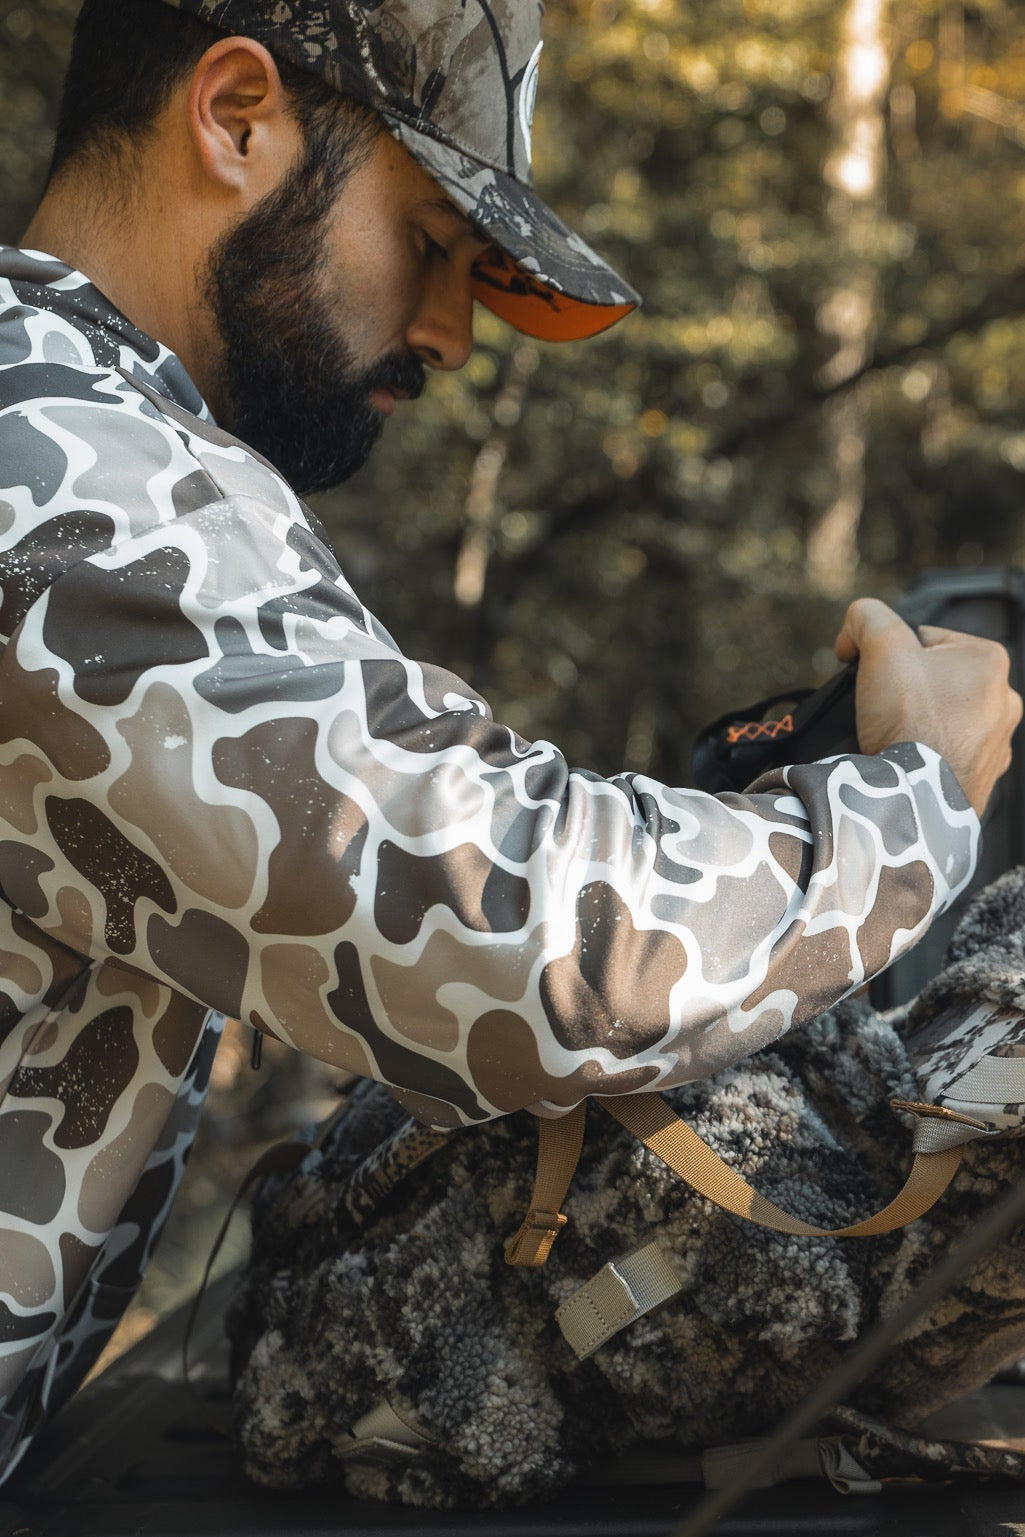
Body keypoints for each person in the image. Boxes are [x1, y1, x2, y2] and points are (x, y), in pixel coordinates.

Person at [0, 0, 1018, 1486]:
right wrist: (903, 799)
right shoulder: (51, 467)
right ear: (231, 115)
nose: (452, 332)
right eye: (429, 242)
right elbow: (519, 934)